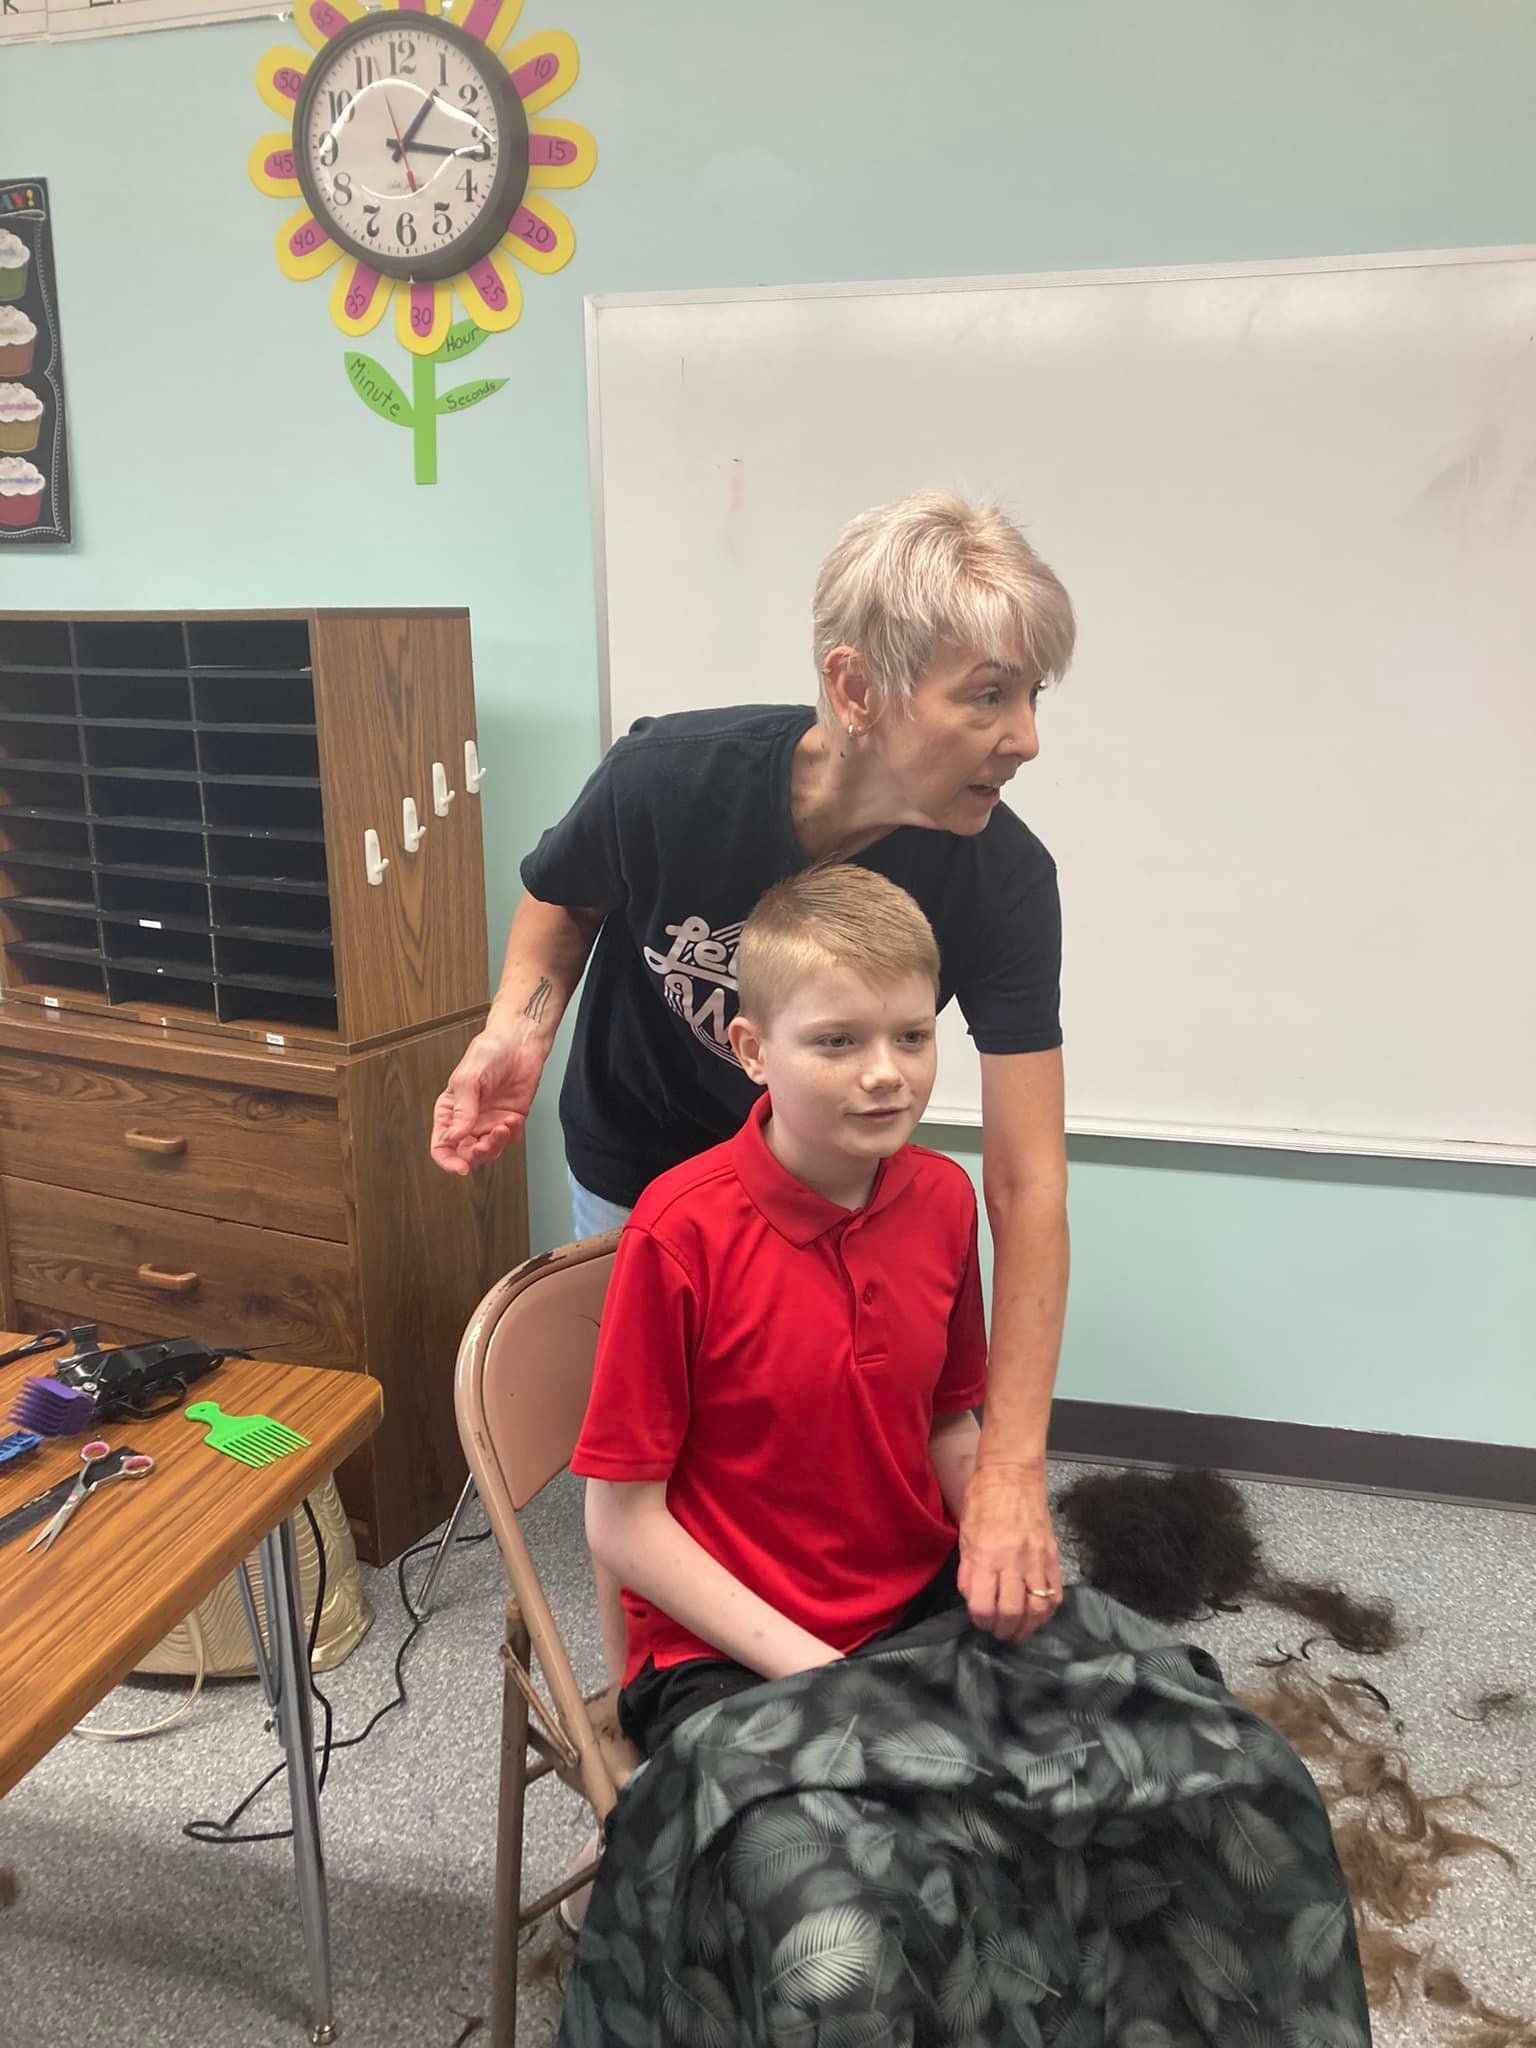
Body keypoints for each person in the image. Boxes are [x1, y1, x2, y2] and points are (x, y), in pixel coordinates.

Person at [431, 490, 1074, 1645]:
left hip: (834, 1187)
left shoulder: (1003, 879)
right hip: (643, 1163)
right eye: (988, 695)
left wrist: (1012, 1467)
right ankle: (673, 1712)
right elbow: (562, 893)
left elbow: (1028, 1186)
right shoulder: (671, 776)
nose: (1025, 734)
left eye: (1032, 695)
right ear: (857, 687)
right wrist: (520, 1025)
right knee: (660, 1470)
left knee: (801, 1443)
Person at [575, 866, 995, 1755]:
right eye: (838, 1042)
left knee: (1148, 1757)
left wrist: (1000, 1536)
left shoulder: (945, 1200)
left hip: (914, 1601)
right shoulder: (677, 1235)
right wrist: (828, 1679)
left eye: (913, 1036)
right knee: (857, 1871)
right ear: (753, 1049)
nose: (887, 1075)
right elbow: (620, 1522)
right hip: (725, 1648)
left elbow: (950, 1424)